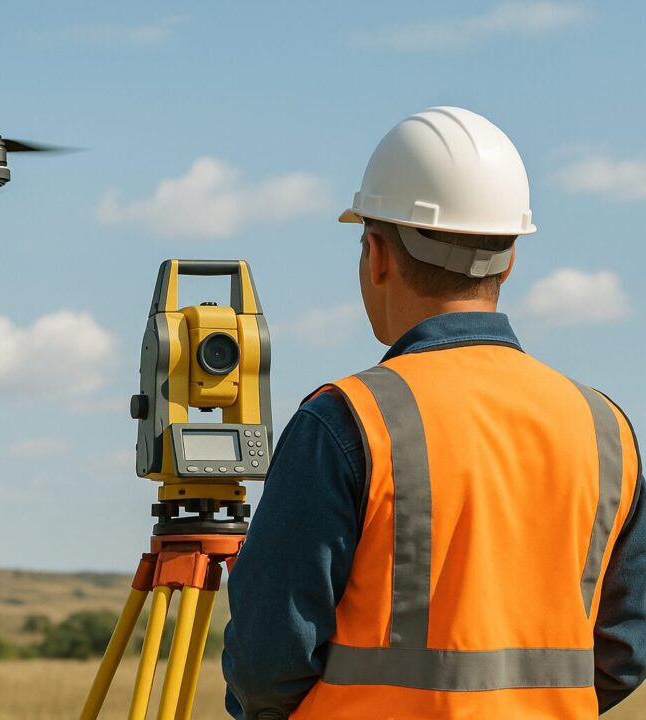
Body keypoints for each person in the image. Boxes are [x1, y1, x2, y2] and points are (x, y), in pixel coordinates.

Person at [222, 106, 646, 719]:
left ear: (377, 254)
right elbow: (624, 649)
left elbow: (266, 663)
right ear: (510, 259)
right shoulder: (605, 428)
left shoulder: (347, 421)